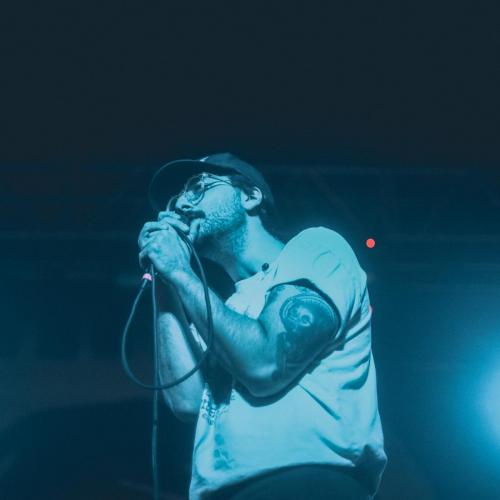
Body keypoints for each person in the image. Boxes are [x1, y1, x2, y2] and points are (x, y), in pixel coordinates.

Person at [138, 153, 387, 500]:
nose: (181, 204)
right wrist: (166, 280)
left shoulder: (315, 249)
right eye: (175, 197)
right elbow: (187, 401)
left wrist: (180, 272)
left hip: (306, 486)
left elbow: (265, 363)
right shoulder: (220, 311)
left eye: (198, 187)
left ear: (250, 196)